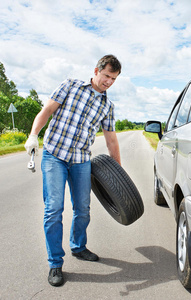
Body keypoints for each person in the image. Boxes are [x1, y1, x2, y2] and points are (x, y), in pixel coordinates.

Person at [24, 54, 122, 286]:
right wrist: (32, 135)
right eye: (107, 75)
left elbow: (111, 141)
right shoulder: (71, 86)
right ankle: (55, 264)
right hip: (54, 155)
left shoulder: (107, 106)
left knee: (83, 209)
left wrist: (119, 175)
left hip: (80, 160)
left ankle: (78, 247)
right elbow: (47, 110)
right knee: (54, 209)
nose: (109, 81)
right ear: (96, 71)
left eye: (114, 79)